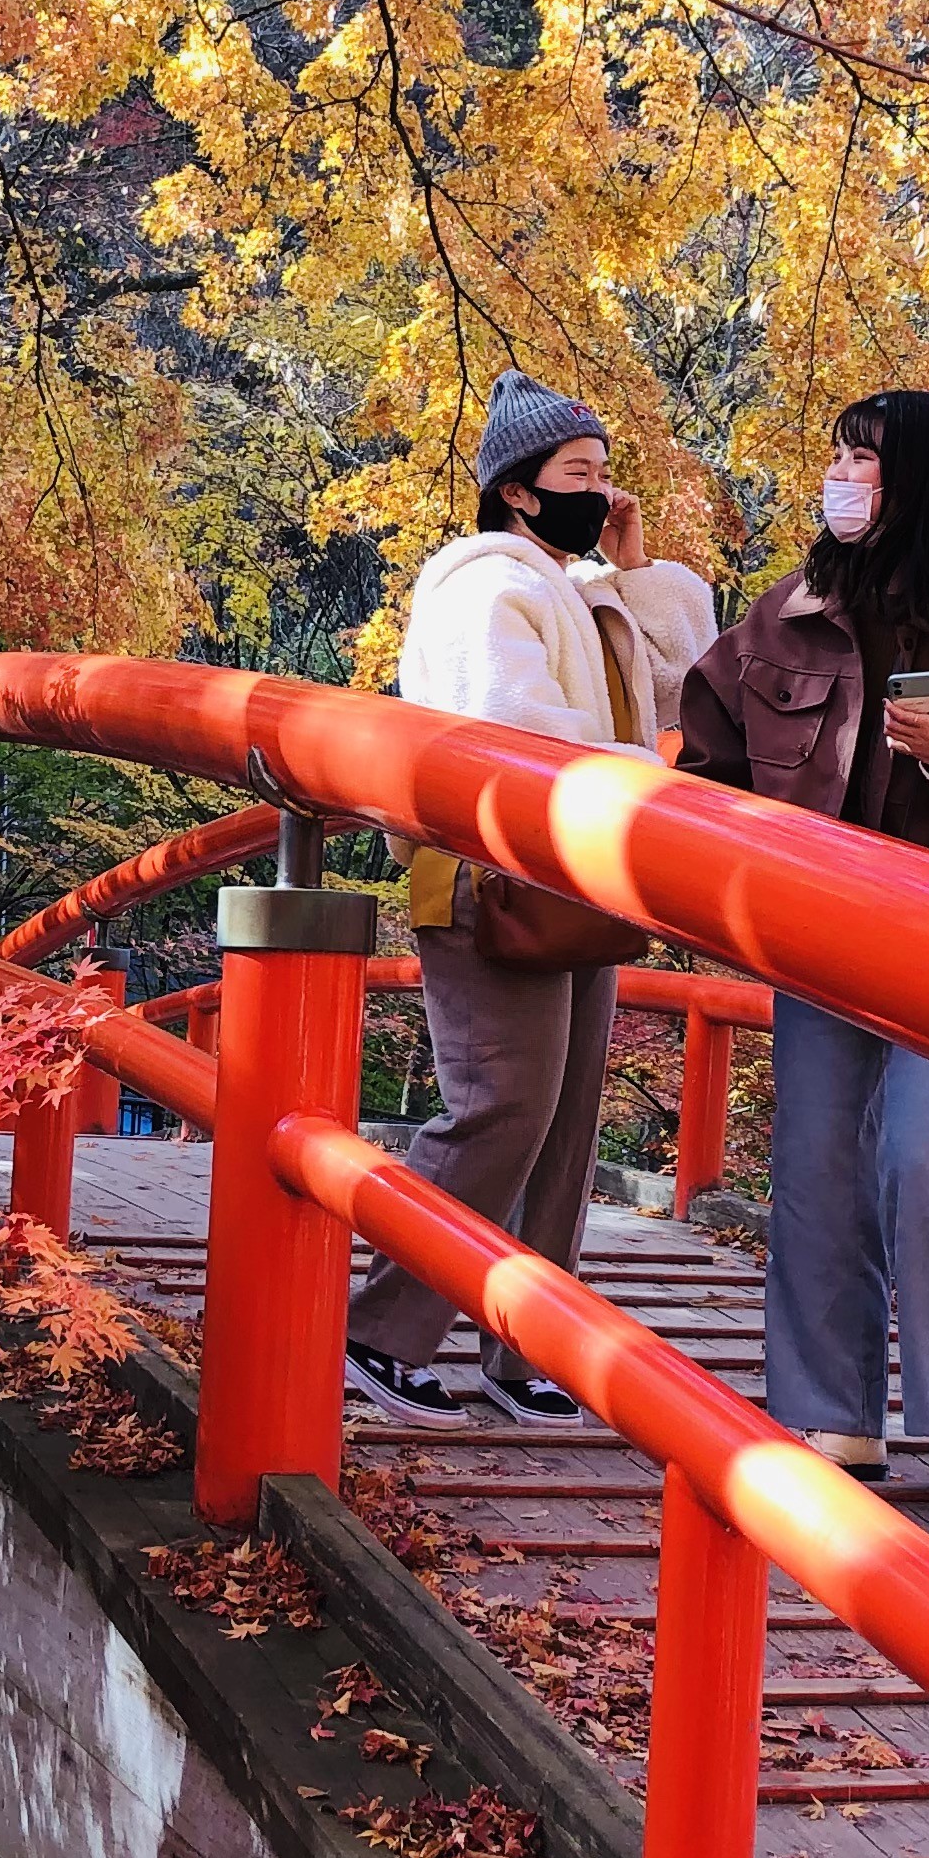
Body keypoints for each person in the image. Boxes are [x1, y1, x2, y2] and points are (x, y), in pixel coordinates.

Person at [676, 389, 929, 1498]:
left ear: (922, 484)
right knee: (818, 1168)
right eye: (841, 457)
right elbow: (703, 759)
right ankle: (835, 1414)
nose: (844, 478)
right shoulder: (786, 615)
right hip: (815, 932)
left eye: (865, 460)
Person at [343, 366, 718, 1423]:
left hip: (577, 874)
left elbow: (684, 692)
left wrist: (638, 574)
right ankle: (379, 1330)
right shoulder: (483, 584)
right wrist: (632, 779)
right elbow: (512, 731)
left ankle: (529, 1340)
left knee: (564, 1129)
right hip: (491, 873)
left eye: (605, 476)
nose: (598, 495)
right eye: (577, 474)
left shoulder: (581, 593)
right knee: (502, 1107)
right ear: (517, 487)